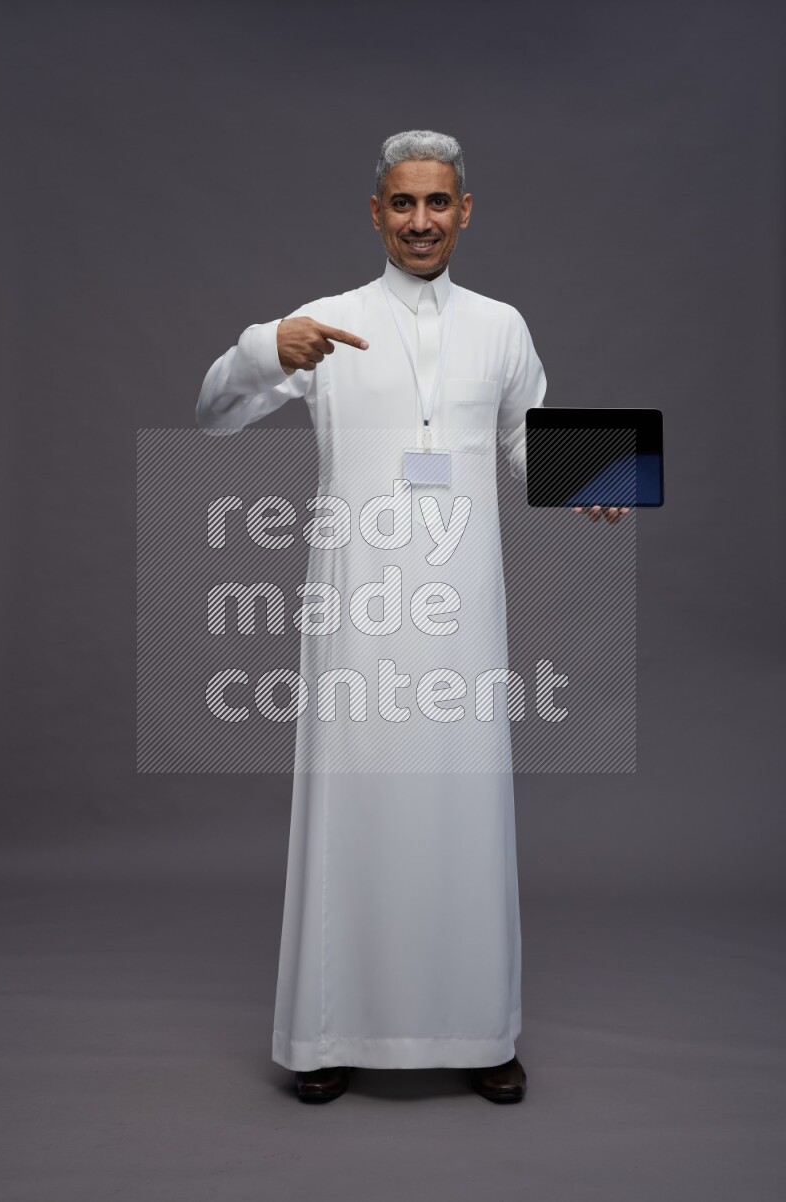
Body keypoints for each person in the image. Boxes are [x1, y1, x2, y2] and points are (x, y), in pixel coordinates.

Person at [196, 130, 627, 1105]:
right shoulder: (323, 323)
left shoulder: (500, 326)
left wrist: (592, 477)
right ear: (376, 212)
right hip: (356, 606)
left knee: (463, 809)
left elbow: (524, 444)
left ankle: (479, 1029)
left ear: (464, 210)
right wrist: (266, 347)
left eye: (437, 203)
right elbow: (215, 410)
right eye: (402, 204)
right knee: (353, 809)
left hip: (462, 610)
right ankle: (327, 1031)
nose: (420, 221)